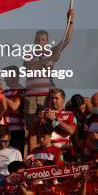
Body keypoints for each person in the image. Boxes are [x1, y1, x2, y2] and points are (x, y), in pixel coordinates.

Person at [23, 9, 74, 152]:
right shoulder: (29, 53)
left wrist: (70, 20)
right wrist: (49, 59)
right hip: (31, 95)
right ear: (34, 41)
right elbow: (30, 68)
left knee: (45, 126)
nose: (40, 42)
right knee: (32, 128)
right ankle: (32, 157)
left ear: (47, 41)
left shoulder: (51, 51)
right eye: (38, 39)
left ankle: (45, 155)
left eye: (43, 39)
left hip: (47, 95)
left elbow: (67, 40)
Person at [36, 89, 76, 160]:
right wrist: (37, 119)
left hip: (64, 151)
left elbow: (71, 131)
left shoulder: (70, 114)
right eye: (52, 98)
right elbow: (33, 133)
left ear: (63, 100)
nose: (53, 100)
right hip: (46, 152)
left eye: (56, 98)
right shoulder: (43, 113)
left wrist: (55, 119)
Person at [2, 66, 26, 156]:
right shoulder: (5, 92)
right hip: (4, 131)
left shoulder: (21, 90)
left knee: (17, 158)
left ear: (15, 76)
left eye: (7, 75)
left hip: (17, 131)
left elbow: (14, 106)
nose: (5, 78)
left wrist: (2, 96)